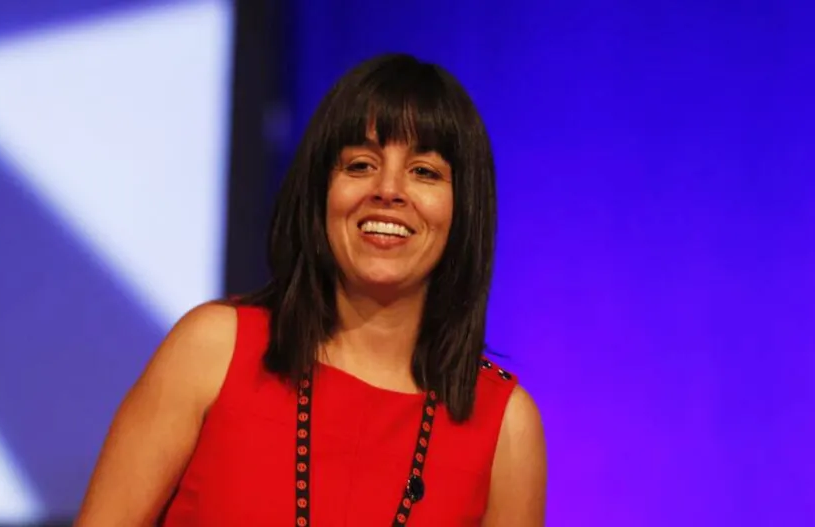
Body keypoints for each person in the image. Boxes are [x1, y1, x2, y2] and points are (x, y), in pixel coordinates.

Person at [75, 53, 546, 526]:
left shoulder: (506, 426)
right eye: (360, 164)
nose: (388, 189)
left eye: (424, 171)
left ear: (464, 209)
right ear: (320, 191)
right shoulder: (213, 349)